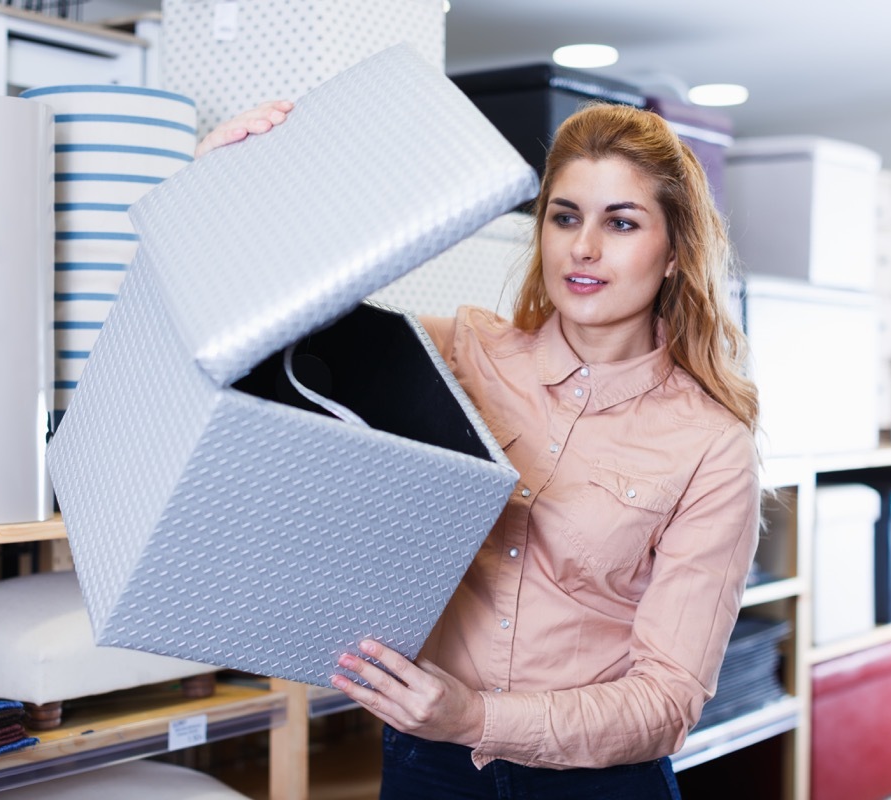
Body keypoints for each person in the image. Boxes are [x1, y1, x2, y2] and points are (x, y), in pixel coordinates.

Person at [198, 98, 762, 799]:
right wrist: (223, 186)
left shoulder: (710, 445)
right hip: (428, 766)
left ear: (675, 253)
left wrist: (477, 717)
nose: (583, 247)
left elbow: (668, 701)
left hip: (596, 784)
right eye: (564, 217)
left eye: (620, 222)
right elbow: (279, 323)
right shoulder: (465, 354)